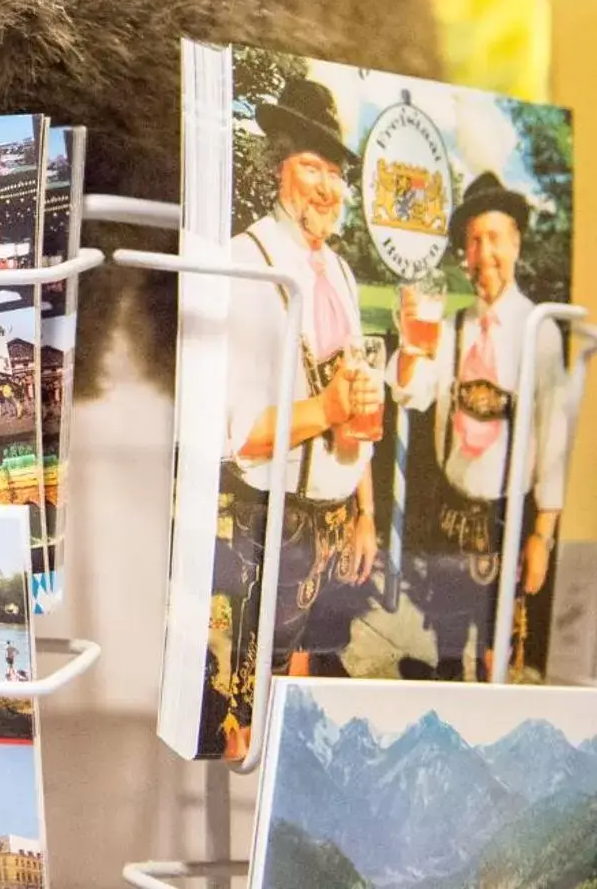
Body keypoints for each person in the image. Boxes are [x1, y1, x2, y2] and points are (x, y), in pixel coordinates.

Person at [209, 76, 385, 759]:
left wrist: (364, 510)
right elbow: (241, 434)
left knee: (303, 691)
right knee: (247, 714)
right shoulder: (244, 264)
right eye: (311, 165)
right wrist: (329, 408)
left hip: (334, 525)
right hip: (271, 525)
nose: (327, 188)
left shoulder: (336, 271)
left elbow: (359, 399)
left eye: (336, 173)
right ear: (276, 164)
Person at [392, 172, 574, 679]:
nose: (484, 252)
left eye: (494, 238)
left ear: (515, 244)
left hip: (507, 518)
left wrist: (543, 535)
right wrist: (409, 347)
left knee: (497, 645)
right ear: (464, 256)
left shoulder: (539, 332)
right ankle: (448, 701)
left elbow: (553, 440)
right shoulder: (450, 327)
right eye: (473, 241)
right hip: (453, 509)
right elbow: (413, 391)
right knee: (448, 635)